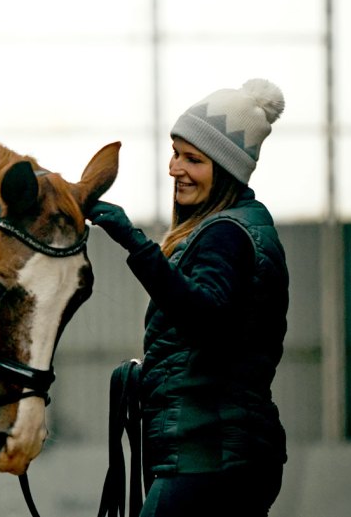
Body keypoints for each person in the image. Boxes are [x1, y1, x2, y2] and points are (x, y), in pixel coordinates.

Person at [88, 79, 289, 517]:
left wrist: (133, 242)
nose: (175, 168)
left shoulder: (224, 235)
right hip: (228, 453)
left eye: (193, 159)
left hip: (209, 456)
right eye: (176, 152)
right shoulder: (237, 228)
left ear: (227, 171)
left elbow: (206, 319)